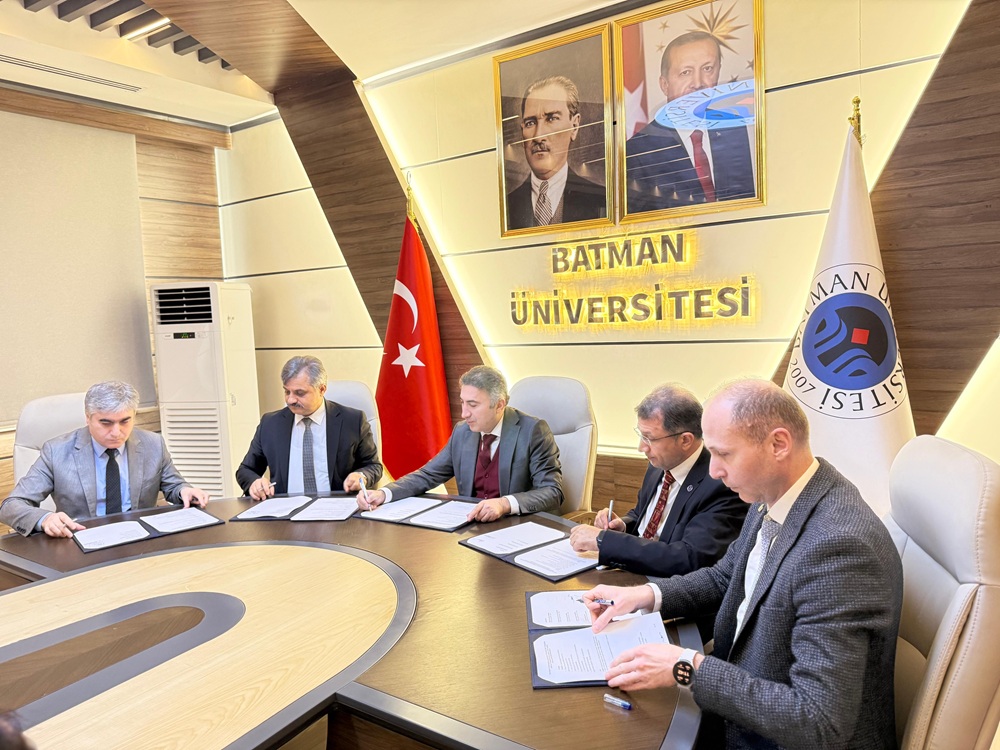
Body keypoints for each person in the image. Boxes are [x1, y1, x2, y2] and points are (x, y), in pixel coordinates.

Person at [584, 379, 902, 749]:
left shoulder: (839, 548)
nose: (713, 471)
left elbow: (818, 722)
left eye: (724, 454)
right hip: (740, 698)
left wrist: (686, 667)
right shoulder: (773, 495)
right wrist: (645, 596)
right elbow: (725, 578)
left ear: (778, 444)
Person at [568, 384, 745, 578]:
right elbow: (642, 516)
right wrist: (623, 526)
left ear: (685, 440)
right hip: (632, 569)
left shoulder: (721, 484)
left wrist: (605, 541)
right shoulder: (659, 464)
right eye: (641, 435)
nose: (641, 447)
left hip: (667, 583)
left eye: (649, 438)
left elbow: (689, 558)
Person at [0, 381, 210, 538]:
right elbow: (11, 506)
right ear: (88, 417)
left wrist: (184, 491)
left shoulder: (153, 444)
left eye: (125, 421)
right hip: (83, 539)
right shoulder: (56, 451)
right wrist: (44, 519)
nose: (116, 432)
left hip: (140, 538)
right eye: (106, 423)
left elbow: (174, 486)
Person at [357, 365, 563, 522]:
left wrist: (504, 504)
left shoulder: (533, 431)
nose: (464, 413)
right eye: (462, 402)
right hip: (471, 527)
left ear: (499, 405)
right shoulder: (463, 431)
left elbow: (552, 492)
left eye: (472, 405)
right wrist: (384, 493)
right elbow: (428, 474)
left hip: (517, 527)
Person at [626, 31, 755, 213]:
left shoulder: (733, 128)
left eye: (707, 69)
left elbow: (745, 205)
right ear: (664, 84)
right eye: (686, 72)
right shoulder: (637, 152)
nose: (698, 83)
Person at [237, 356, 382, 500]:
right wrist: (254, 483)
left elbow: (373, 466)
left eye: (299, 393)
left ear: (322, 389)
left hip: (337, 508)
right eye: (287, 392)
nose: (290, 400)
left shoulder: (352, 421)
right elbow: (246, 470)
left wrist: (361, 476)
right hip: (286, 510)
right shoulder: (270, 424)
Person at [506, 75, 606, 229]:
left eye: (551, 119)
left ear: (574, 126)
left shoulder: (600, 201)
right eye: (530, 123)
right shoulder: (507, 205)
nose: (538, 136)